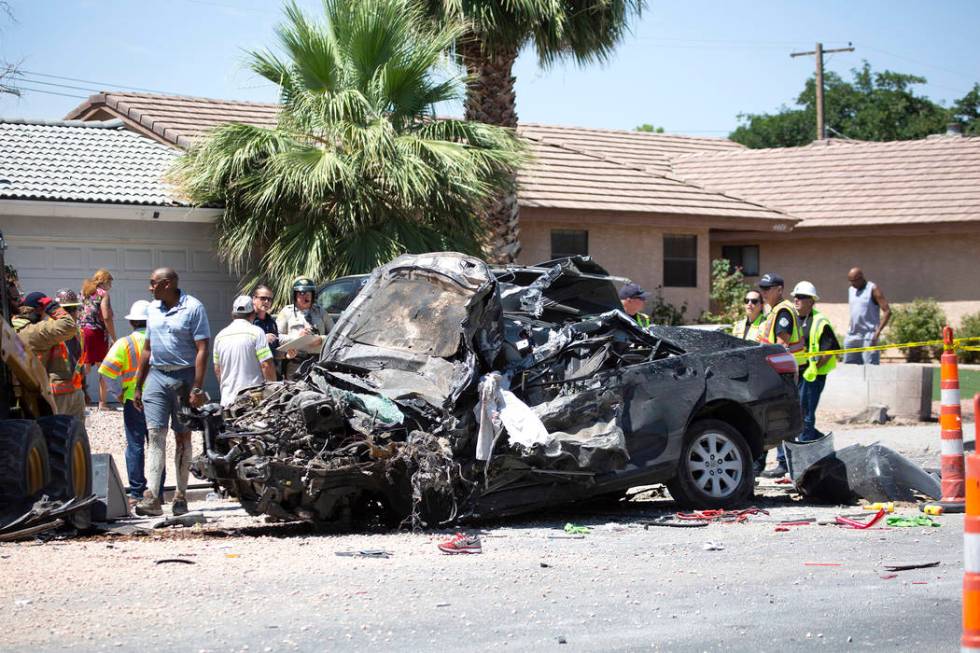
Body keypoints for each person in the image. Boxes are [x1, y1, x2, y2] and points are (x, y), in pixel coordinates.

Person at [133, 268, 210, 517]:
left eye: (152, 283)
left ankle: (181, 495)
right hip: (156, 376)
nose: (149, 287)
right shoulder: (152, 309)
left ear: (166, 284)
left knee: (182, 437)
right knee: (155, 435)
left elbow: (202, 349)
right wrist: (138, 384)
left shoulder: (194, 308)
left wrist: (197, 387)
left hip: (184, 377)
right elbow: (147, 348)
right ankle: (153, 497)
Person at [98, 300, 164, 503]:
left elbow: (106, 371)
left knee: (135, 446)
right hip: (159, 401)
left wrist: (118, 393)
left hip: (132, 401)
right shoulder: (161, 340)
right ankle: (157, 492)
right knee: (157, 445)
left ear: (132, 322)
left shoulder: (124, 343)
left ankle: (136, 491)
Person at [12, 292, 80, 417]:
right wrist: (53, 306)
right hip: (50, 395)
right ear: (40, 309)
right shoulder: (33, 331)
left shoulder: (14, 329)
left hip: (31, 395)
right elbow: (68, 325)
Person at [213, 295, 276, 407]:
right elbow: (266, 365)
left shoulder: (219, 336)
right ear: (252, 314)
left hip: (228, 401)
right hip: (252, 402)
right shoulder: (257, 332)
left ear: (233, 314)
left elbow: (218, 369)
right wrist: (274, 392)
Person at [276, 277, 332, 378]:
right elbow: (276, 338)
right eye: (301, 293)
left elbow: (336, 335)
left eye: (308, 292)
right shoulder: (286, 312)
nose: (305, 296)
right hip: (295, 363)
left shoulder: (321, 312)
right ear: (295, 295)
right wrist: (296, 338)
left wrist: (321, 340)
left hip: (318, 362)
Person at [79, 268, 117, 410]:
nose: (110, 286)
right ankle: (102, 402)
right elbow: (106, 316)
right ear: (104, 281)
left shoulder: (84, 292)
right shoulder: (103, 294)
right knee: (103, 367)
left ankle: (81, 398)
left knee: (84, 367)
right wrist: (114, 337)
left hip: (83, 332)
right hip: (96, 333)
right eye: (110, 283)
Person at [48, 289, 87, 421]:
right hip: (57, 392)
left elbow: (80, 363)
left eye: (73, 309)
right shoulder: (49, 332)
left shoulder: (79, 333)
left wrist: (84, 389)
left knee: (77, 433)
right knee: (58, 433)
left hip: (76, 390)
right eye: (67, 310)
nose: (70, 313)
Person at [845, 267, 891, 365]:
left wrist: (877, 332)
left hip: (869, 335)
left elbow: (887, 311)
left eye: (854, 281)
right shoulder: (851, 290)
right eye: (850, 281)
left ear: (861, 278)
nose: (852, 284)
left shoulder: (873, 289)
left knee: (870, 368)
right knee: (849, 367)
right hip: (852, 335)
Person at [756, 273, 803, 355]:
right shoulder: (776, 310)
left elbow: (781, 346)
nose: (763, 292)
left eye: (766, 288)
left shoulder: (783, 311)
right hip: (783, 365)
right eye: (761, 288)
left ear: (779, 290)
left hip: (787, 366)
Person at [251, 284, 279, 349]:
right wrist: (263, 339)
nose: (266, 301)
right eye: (263, 298)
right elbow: (241, 345)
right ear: (254, 299)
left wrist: (286, 355)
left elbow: (275, 349)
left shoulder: (272, 322)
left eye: (269, 299)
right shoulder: (247, 320)